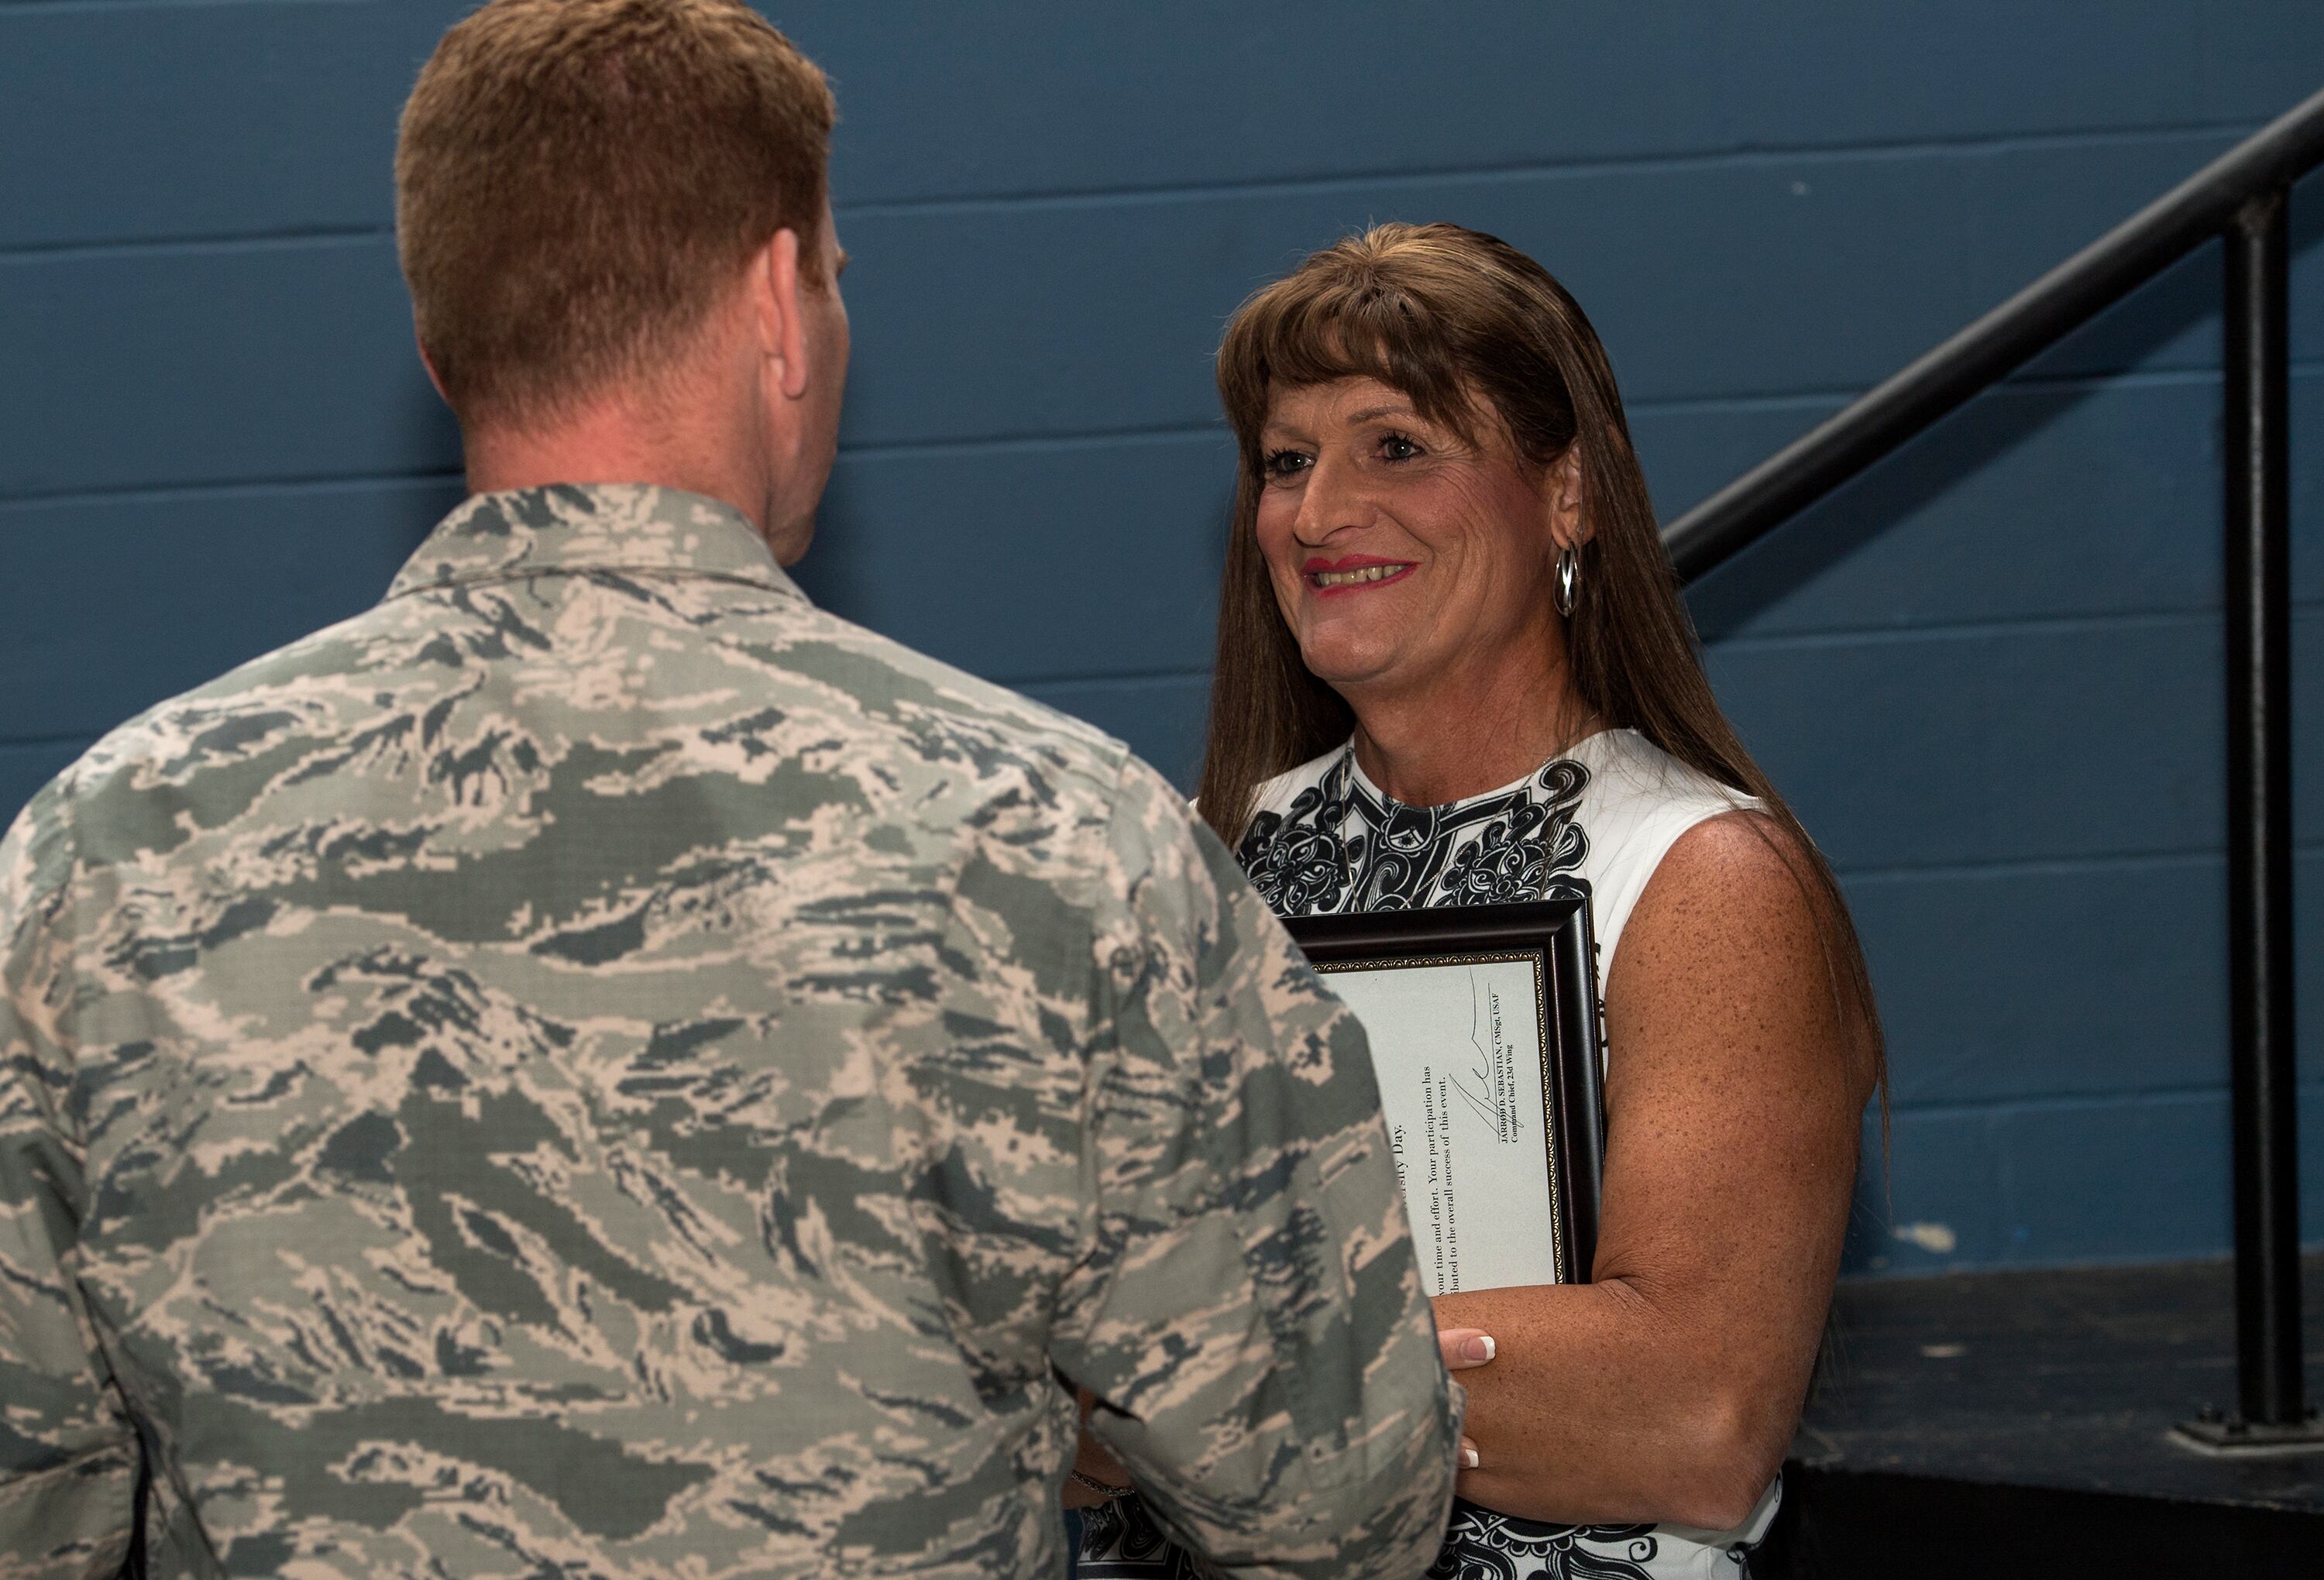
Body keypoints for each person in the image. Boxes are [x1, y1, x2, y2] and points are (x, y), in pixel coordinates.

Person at [0, 6, 1461, 1573]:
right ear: (781, 302)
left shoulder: (107, 856)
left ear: (443, 350)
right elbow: (1346, 1507)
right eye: (833, 276)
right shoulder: (1050, 839)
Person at [1076, 225, 1882, 1578]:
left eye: (1397, 446)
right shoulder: (1214, 855)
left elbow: (1693, 1413)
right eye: (1287, 463)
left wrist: (1185, 1373)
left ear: (1564, 492)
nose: (1321, 513)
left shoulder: (1703, 881)